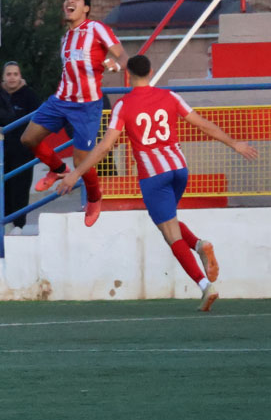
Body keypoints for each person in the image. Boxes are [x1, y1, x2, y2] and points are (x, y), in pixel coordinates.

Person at [55, 55, 258, 311]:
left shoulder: (124, 105)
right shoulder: (170, 96)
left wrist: (77, 173)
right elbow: (203, 125)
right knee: (168, 219)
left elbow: (106, 146)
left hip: (154, 176)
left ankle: (206, 285)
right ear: (151, 71)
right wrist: (235, 143)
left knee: (169, 234)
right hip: (179, 168)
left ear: (128, 75)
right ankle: (198, 244)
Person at [22, 0, 127, 227]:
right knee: (28, 139)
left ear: (86, 8)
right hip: (60, 100)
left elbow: (123, 56)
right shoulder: (66, 37)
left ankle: (94, 197)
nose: (70, 1)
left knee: (81, 162)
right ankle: (57, 168)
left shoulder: (97, 28)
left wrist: (116, 65)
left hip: (87, 106)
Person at [2, 61, 42, 232]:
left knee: (20, 188)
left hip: (23, 152)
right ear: (3, 77)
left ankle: (19, 224)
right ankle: (4, 222)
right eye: (8, 74)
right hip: (1, 152)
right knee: (3, 189)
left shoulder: (29, 96)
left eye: (15, 74)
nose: (12, 78)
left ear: (20, 76)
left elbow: (39, 120)